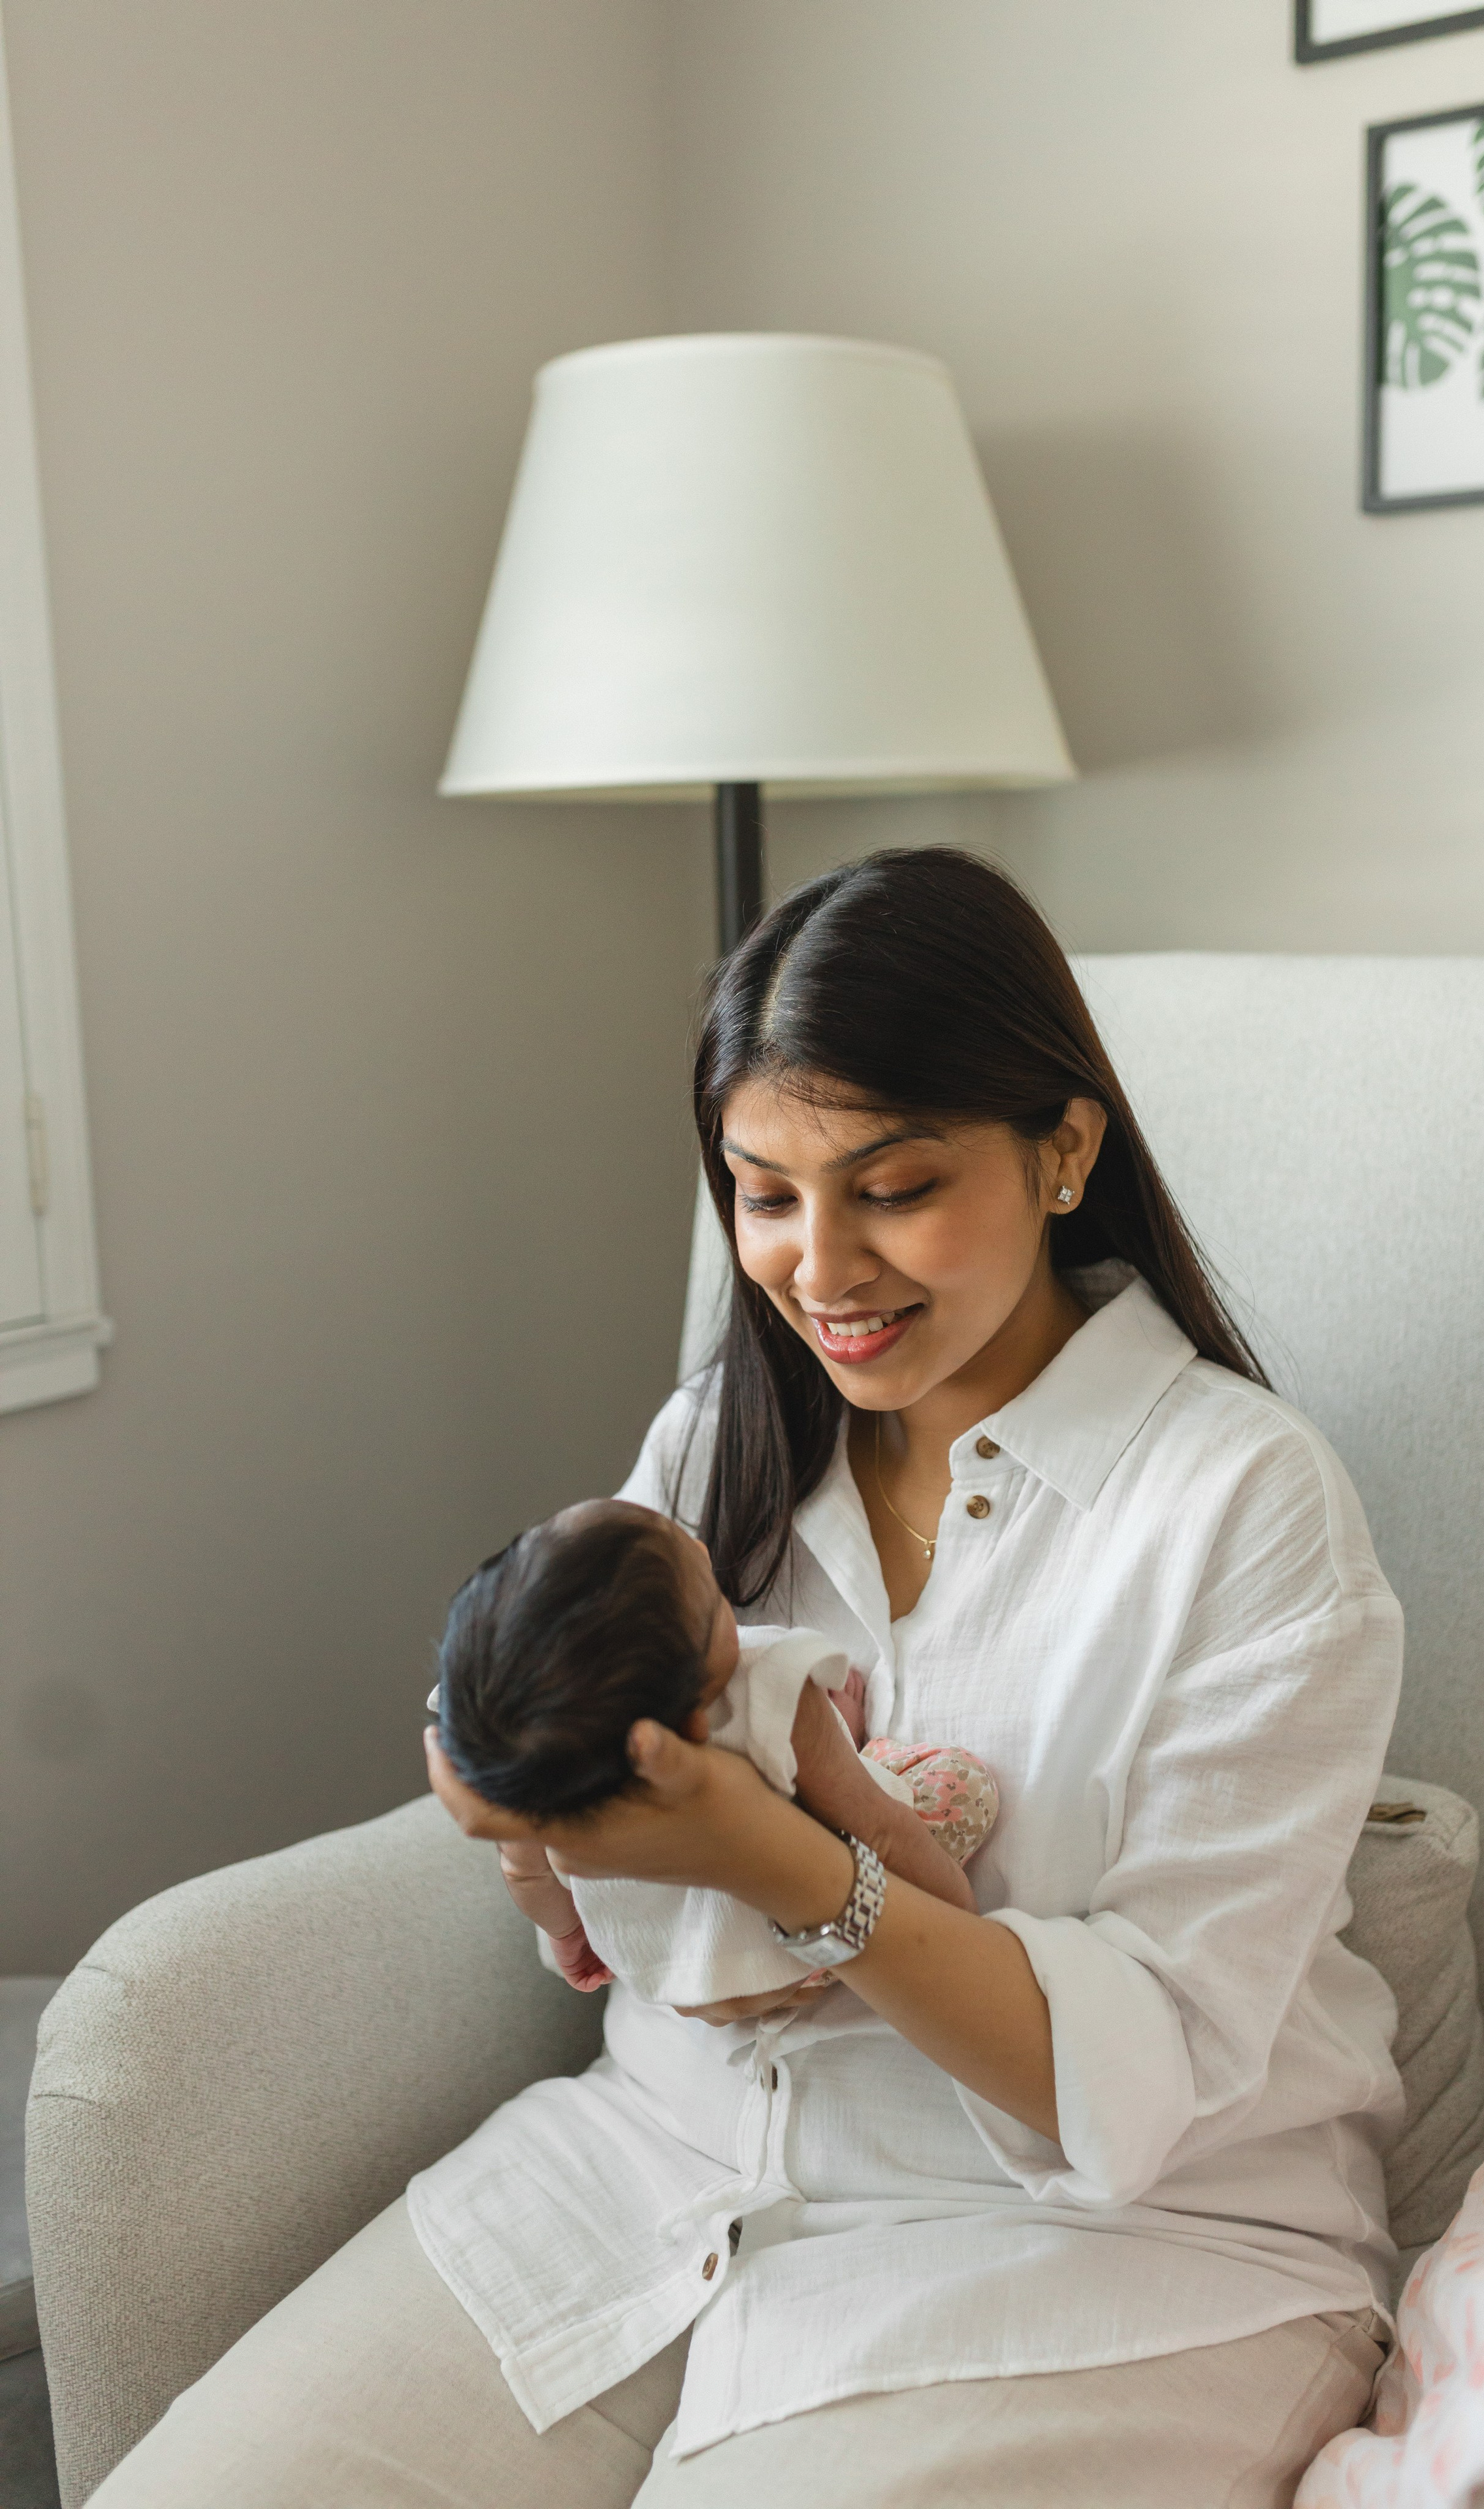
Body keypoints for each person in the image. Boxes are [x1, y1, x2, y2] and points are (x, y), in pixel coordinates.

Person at [89, 848, 1400, 2509]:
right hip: (661, 2162)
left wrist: (780, 1862)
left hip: (1104, 2249)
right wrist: (505, 1809)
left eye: (893, 1184)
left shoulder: (1241, 1502)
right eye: (763, 1192)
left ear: (1064, 1147)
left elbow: (1147, 2080)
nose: (820, 1269)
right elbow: (581, 1789)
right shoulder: (718, 1445)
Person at [426, 1495, 998, 2003]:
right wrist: (959, 1919)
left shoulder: (538, 1754)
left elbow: (528, 1879)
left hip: (683, 1977)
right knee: (957, 1782)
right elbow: (877, 1826)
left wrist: (575, 1937)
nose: (702, 1550)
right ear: (695, 1726)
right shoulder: (769, 1682)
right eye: (714, 1602)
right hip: (811, 1940)